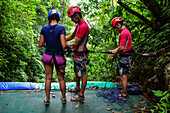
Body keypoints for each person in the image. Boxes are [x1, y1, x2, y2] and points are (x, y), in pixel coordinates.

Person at [39, 10, 69, 104]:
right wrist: (69, 46)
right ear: (58, 18)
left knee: (48, 78)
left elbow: (40, 44)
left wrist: (46, 42)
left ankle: (47, 99)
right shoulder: (61, 28)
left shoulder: (44, 28)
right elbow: (64, 45)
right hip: (59, 57)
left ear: (49, 18)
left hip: (47, 56)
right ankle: (63, 98)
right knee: (61, 78)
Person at [66, 6, 90, 102]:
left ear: (77, 15)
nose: (72, 20)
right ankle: (77, 87)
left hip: (81, 55)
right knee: (77, 72)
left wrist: (65, 46)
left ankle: (81, 94)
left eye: (72, 18)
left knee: (83, 74)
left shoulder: (83, 26)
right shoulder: (78, 25)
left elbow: (76, 43)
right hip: (77, 54)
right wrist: (61, 39)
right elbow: (71, 36)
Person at [109, 17, 134, 100]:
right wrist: (113, 51)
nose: (116, 29)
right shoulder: (126, 31)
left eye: (116, 27)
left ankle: (124, 94)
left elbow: (121, 47)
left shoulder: (123, 33)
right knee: (124, 76)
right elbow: (121, 47)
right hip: (126, 56)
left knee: (123, 76)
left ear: (119, 24)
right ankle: (124, 92)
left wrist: (114, 53)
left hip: (125, 57)